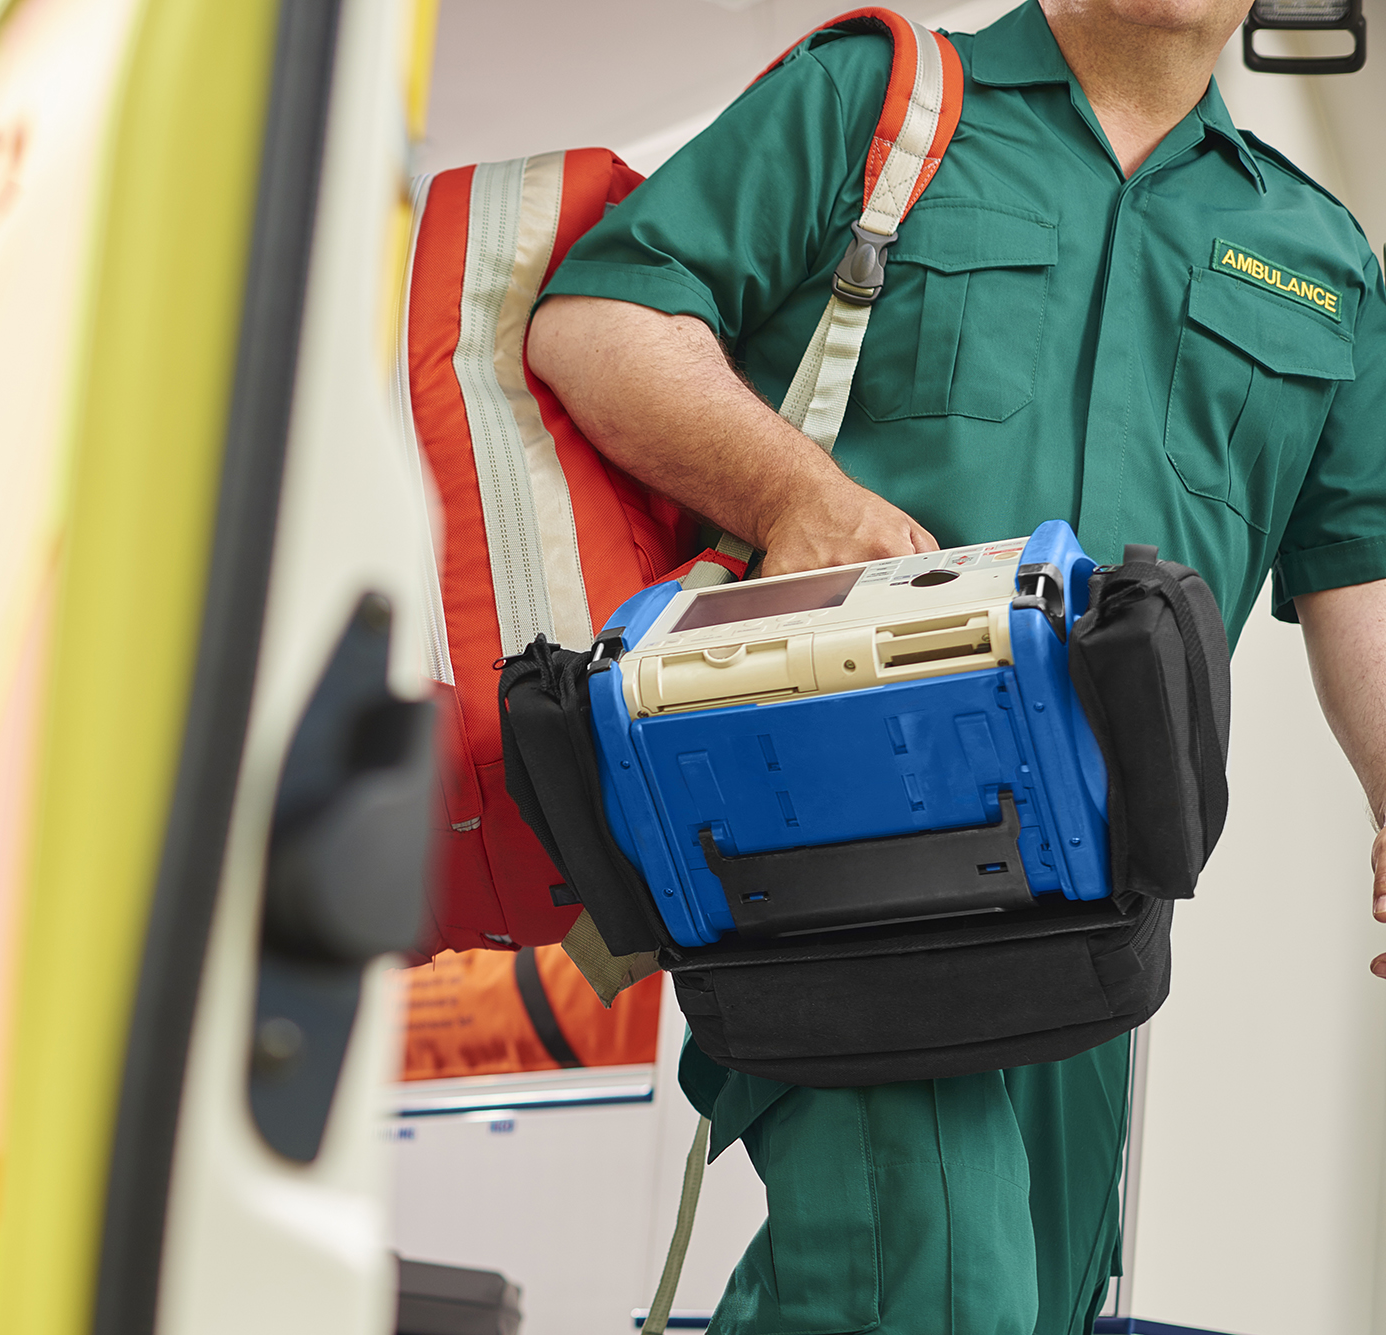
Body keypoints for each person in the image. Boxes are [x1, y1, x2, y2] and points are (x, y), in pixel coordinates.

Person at [527, 2, 1386, 1332]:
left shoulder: (1318, 254)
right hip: (830, 835)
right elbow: (597, 322)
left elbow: (1360, 574)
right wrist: (790, 492)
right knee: (929, 1283)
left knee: (1030, 1295)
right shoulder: (875, 103)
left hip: (1099, 892)